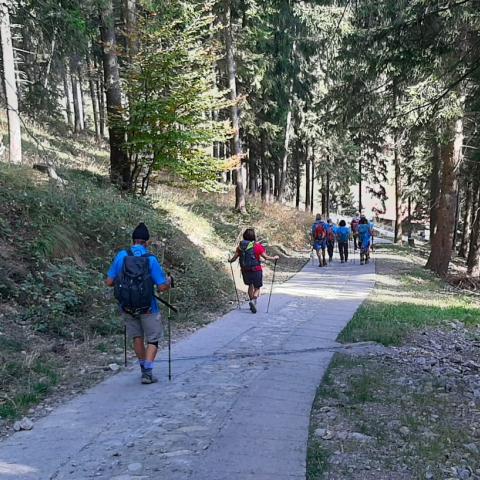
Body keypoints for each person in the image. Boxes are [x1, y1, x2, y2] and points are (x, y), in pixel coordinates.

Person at [106, 223, 171, 384]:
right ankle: (148, 373)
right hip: (148, 307)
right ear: (147, 242)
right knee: (153, 339)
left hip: (127, 306)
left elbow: (109, 282)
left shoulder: (121, 255)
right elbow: (162, 287)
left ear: (133, 240)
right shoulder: (150, 259)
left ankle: (143, 368)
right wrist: (170, 281)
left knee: (137, 337)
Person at [229, 228, 279, 313]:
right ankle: (253, 300)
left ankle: (252, 300)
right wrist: (274, 258)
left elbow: (234, 258)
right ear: (253, 236)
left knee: (250, 286)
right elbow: (266, 257)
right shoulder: (257, 246)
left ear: (244, 236)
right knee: (257, 287)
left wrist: (229, 260)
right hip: (256, 270)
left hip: (245, 270)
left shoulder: (240, 247)